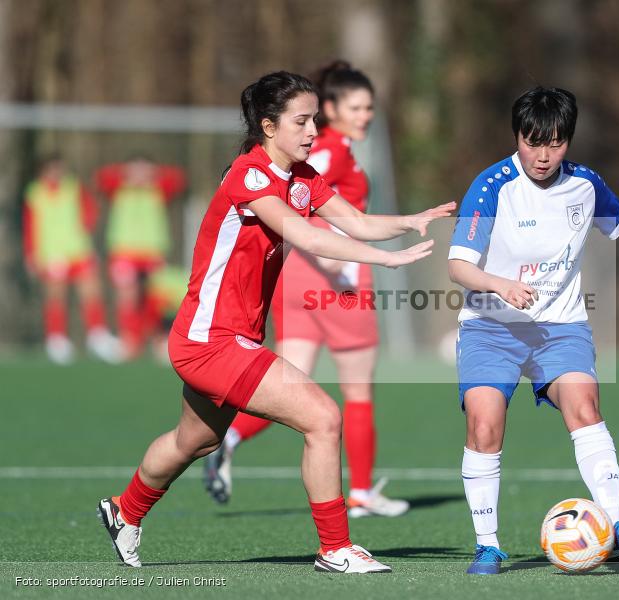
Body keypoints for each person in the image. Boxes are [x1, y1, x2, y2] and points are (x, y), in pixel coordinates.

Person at [96, 71, 454, 573]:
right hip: (210, 340)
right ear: (268, 126)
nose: (313, 131)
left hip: (227, 338)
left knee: (193, 441)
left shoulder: (302, 177)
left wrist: (408, 222)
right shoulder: (251, 175)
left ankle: (124, 511)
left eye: (314, 120)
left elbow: (353, 222)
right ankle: (335, 548)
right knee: (324, 418)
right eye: (302, 121)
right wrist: (387, 261)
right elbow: (307, 238)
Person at [447, 86, 619, 574]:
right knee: (484, 425)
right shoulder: (491, 186)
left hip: (560, 325)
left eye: (554, 142)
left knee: (585, 406)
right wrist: (499, 284)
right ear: (517, 137)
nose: (543, 154)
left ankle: (614, 528)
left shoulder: (585, 185)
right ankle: (487, 544)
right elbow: (459, 266)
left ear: (568, 140)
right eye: (533, 142)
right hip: (492, 328)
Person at [205, 62, 408, 518]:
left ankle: (230, 436)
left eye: (370, 107)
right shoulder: (329, 152)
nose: (366, 115)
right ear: (331, 108)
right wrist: (335, 258)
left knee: (291, 383)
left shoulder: (323, 150)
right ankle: (359, 493)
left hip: (296, 281)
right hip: (334, 282)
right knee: (357, 390)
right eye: (356, 107)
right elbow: (303, 204)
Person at [22, 155, 120, 364]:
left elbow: (90, 210)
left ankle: (97, 337)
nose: (57, 173)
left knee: (91, 291)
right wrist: (31, 253)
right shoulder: (34, 193)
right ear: (43, 171)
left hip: (78, 250)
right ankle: (56, 340)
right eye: (52, 169)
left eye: (60, 169)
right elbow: (30, 225)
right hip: (51, 253)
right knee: (56, 296)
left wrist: (86, 225)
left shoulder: (73, 188)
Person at [95, 156, 186, 359]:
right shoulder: (119, 187)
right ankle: (129, 341)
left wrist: (152, 174)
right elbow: (102, 178)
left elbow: (178, 179)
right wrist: (127, 173)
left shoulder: (157, 188)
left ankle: (159, 340)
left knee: (157, 298)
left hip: (152, 252)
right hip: (124, 251)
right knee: (128, 296)